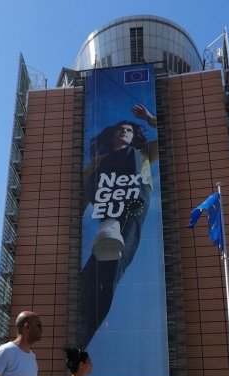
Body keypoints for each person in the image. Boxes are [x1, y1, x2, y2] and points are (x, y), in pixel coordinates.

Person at [80, 103, 158, 348]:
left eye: (129, 130)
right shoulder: (97, 162)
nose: (124, 132)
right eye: (120, 129)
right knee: (96, 278)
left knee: (131, 156)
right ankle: (109, 227)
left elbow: (173, 132)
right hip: (105, 197)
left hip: (135, 200)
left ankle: (112, 228)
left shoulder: (142, 153)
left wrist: (149, 118)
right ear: (112, 134)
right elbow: (82, 198)